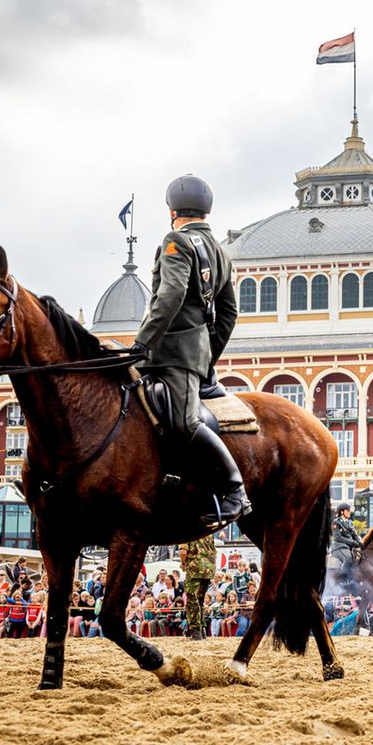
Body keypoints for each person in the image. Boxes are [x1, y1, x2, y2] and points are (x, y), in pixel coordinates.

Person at [132, 173, 248, 530]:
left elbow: (170, 297)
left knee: (184, 422)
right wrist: (207, 355)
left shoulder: (176, 241)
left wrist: (142, 343)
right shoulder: (221, 252)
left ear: (172, 211)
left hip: (169, 354)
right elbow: (228, 312)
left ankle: (234, 488)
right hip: (189, 355)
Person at [329, 503, 364, 608]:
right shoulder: (336, 522)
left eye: (349, 510)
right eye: (347, 510)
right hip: (338, 547)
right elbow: (338, 537)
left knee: (360, 558)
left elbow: (355, 535)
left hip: (348, 547)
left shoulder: (350, 523)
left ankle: (353, 579)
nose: (349, 512)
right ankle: (343, 580)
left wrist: (360, 542)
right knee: (348, 557)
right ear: (341, 512)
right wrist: (352, 542)